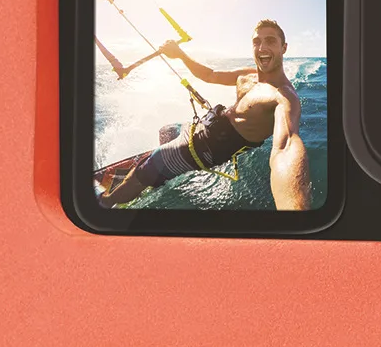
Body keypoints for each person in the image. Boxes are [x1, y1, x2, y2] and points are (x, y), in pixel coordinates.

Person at [96, 18, 311, 210]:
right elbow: (211, 75)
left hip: (206, 149)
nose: (262, 47)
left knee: (145, 169)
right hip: (202, 128)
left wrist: (296, 213)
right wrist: (180, 55)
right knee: (166, 131)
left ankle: (106, 202)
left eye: (270, 41)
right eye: (257, 42)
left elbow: (286, 147)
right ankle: (159, 171)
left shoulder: (283, 96)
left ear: (284, 48)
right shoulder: (249, 75)